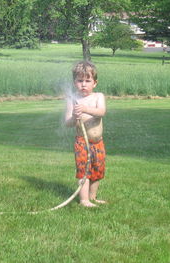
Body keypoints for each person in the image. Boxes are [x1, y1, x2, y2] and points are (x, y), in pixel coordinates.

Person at [65, 61, 107, 207]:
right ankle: (84, 200)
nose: (83, 84)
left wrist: (85, 109)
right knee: (84, 170)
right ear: (74, 82)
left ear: (95, 83)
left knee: (98, 170)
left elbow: (101, 112)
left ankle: (92, 197)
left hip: (98, 142)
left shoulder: (98, 97)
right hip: (82, 141)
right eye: (80, 81)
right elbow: (67, 123)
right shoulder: (73, 100)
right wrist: (75, 117)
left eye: (87, 81)